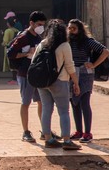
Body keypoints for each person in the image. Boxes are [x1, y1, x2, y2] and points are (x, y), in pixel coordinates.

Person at [33, 19, 81, 150]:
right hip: (60, 81)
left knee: (46, 109)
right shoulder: (64, 45)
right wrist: (76, 83)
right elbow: (70, 66)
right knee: (64, 111)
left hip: (43, 82)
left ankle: (48, 138)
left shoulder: (42, 43)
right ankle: (66, 140)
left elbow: (34, 61)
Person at [7, 11, 47, 142]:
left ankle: (45, 130)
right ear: (32, 23)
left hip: (37, 74)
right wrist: (26, 54)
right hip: (25, 74)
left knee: (42, 102)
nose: (41, 26)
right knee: (26, 102)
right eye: (39, 24)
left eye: (43, 24)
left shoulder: (39, 37)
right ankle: (25, 132)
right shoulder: (23, 37)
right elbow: (10, 53)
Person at [68, 19, 109, 143]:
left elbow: (105, 51)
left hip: (85, 74)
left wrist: (94, 64)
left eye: (73, 28)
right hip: (72, 73)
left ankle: (87, 132)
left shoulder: (87, 41)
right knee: (74, 103)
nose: (70, 31)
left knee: (84, 102)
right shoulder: (67, 41)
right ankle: (78, 131)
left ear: (80, 29)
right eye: (69, 28)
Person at [1, 18, 19, 85]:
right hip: (17, 49)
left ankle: (14, 79)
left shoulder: (7, 31)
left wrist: (3, 44)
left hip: (9, 49)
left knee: (11, 64)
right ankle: (16, 78)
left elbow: (5, 41)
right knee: (16, 64)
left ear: (8, 24)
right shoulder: (17, 30)